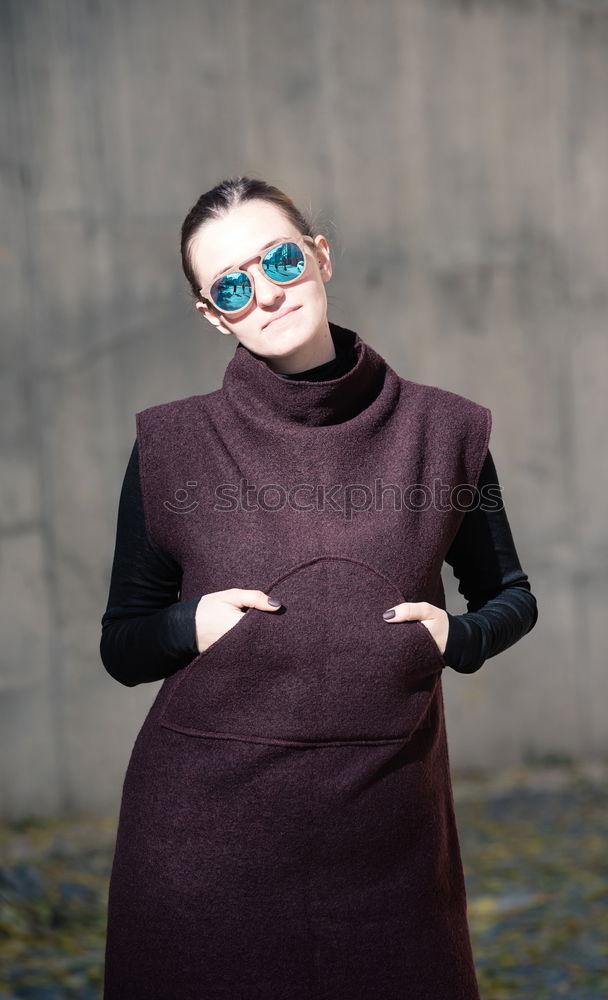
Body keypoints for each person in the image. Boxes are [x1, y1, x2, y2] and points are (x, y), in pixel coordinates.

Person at [100, 176, 538, 1000]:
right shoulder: (172, 446)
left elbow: (510, 592)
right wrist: (191, 622)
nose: (266, 293)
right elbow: (121, 642)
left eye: (280, 260)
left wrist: (460, 636)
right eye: (232, 285)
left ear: (320, 255)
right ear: (212, 314)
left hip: (390, 845)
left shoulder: (446, 431)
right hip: (203, 853)